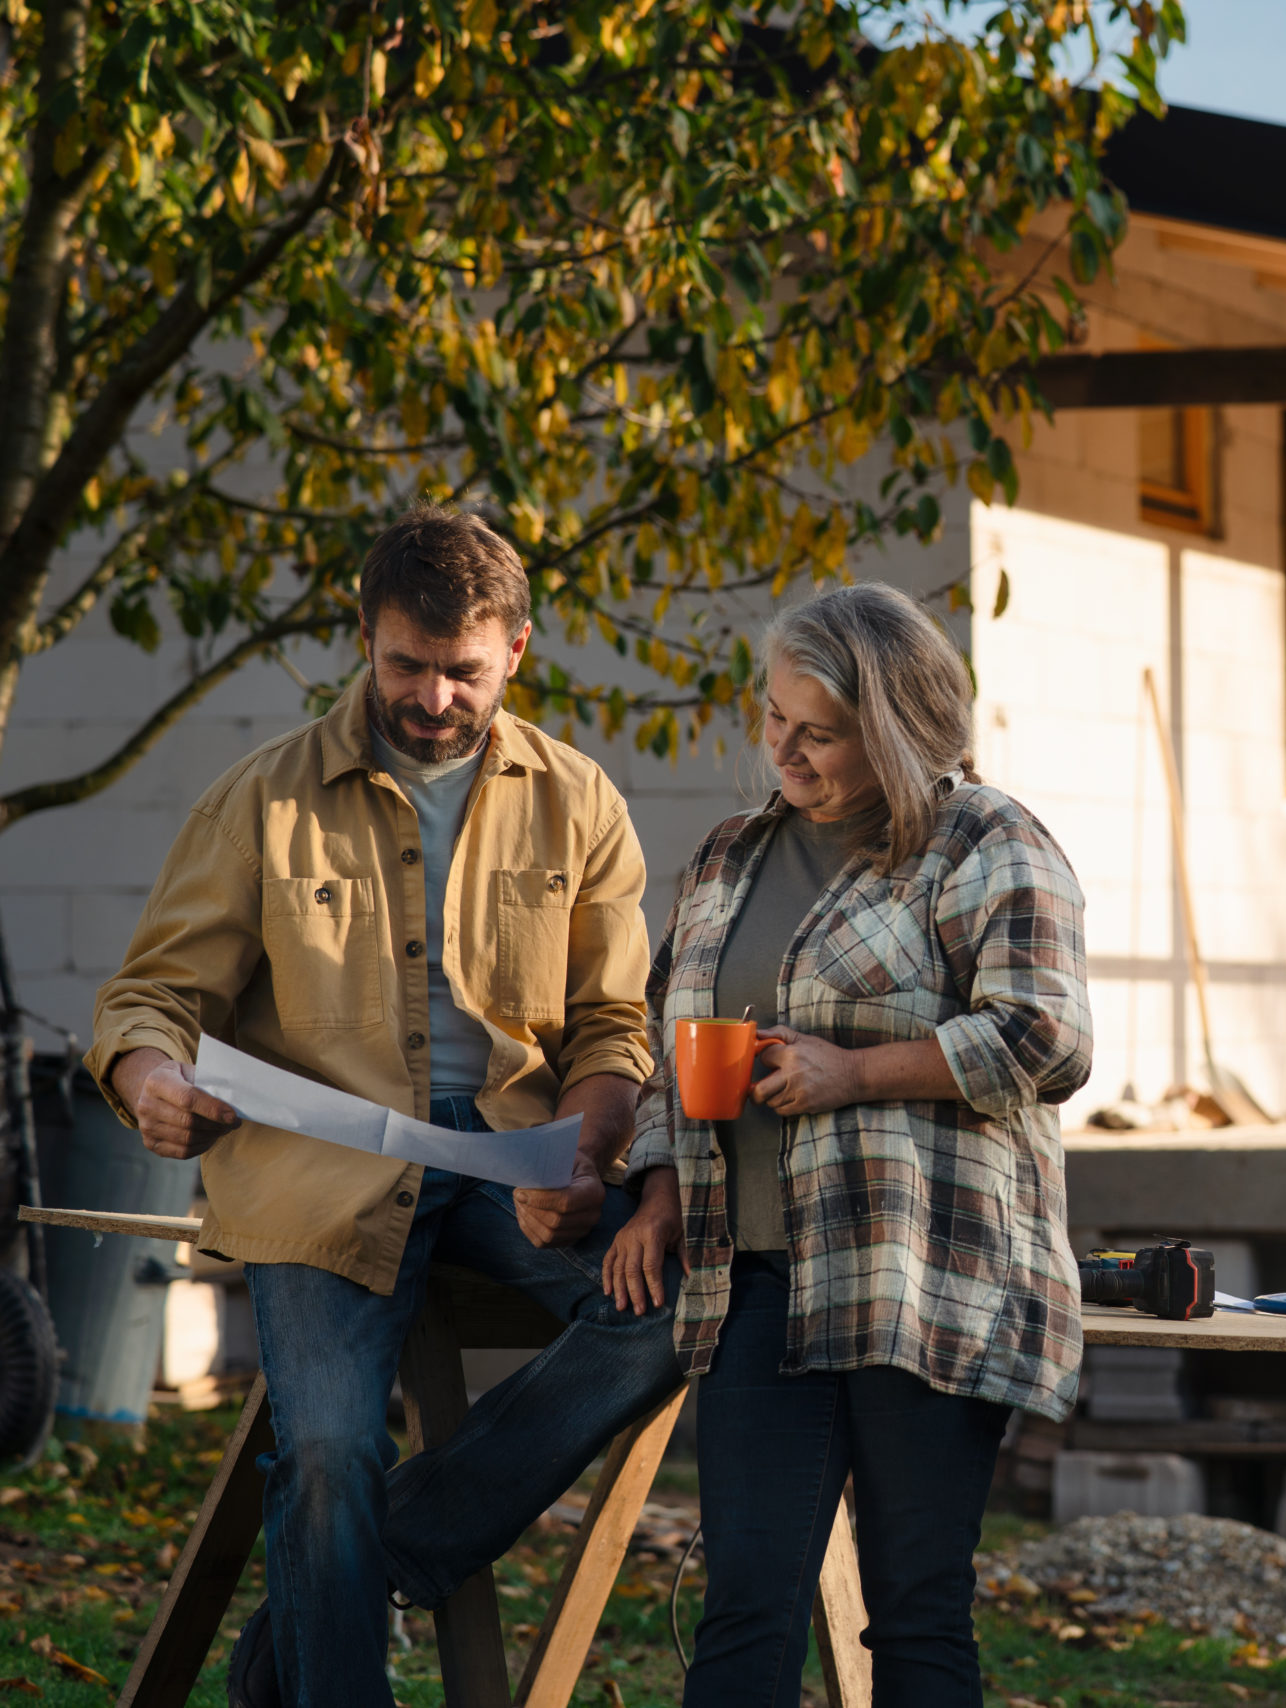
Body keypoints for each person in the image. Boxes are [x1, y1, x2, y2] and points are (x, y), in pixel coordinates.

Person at [86, 507, 685, 1708]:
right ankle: (336, 1592)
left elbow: (614, 1024)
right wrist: (153, 1083)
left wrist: (589, 1150)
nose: (433, 696)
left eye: (463, 671)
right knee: (323, 1453)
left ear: (517, 648)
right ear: (364, 635)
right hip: (318, 1164)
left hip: (518, 1152)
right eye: (405, 663)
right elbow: (151, 996)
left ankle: (357, 1567)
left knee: (681, 1309)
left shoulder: (581, 801)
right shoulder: (259, 800)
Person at [602, 583, 1090, 1708]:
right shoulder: (732, 855)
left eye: (816, 731)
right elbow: (672, 1034)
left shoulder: (986, 842)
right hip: (754, 1280)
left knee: (914, 1613)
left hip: (919, 1276)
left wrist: (855, 1071)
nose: (784, 748)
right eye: (774, 717)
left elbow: (1047, 1037)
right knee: (744, 1609)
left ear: (894, 726)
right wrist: (660, 1190)